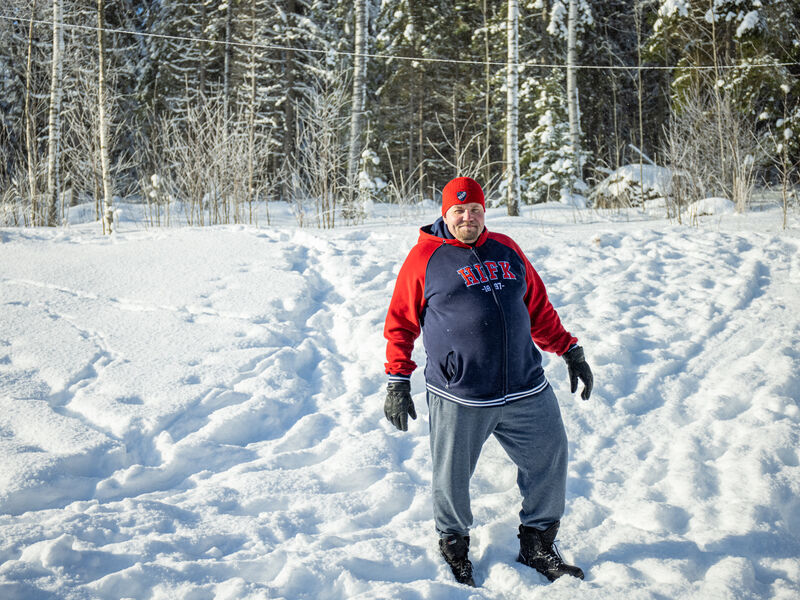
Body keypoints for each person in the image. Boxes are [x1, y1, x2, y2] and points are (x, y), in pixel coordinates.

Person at [382, 176, 593, 586]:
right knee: (452, 475)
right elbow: (400, 324)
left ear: (484, 212)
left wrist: (569, 349)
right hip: (463, 394)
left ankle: (537, 542)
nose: (468, 217)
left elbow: (538, 308)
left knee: (549, 456)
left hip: (525, 385)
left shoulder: (506, 249)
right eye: (459, 210)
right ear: (446, 213)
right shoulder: (424, 260)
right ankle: (454, 544)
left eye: (475, 209)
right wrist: (397, 381)